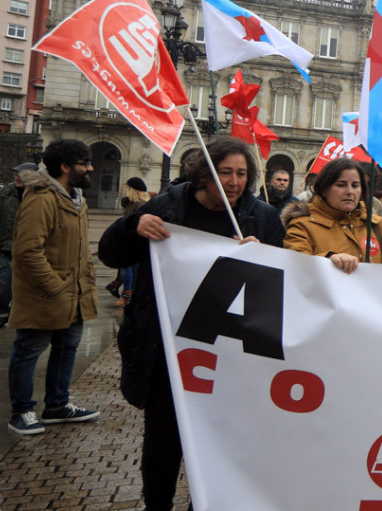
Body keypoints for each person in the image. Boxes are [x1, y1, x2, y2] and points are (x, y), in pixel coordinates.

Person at [99, 137, 284, 510]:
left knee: (220, 444)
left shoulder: (261, 217)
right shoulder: (167, 206)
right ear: (204, 173)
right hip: (167, 352)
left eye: (241, 174)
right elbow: (110, 254)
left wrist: (263, 257)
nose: (233, 182)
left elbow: (282, 285)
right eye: (225, 173)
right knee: (163, 443)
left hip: (229, 358)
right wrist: (134, 225)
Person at [7, 139, 100, 435]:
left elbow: (80, 247)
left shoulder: (77, 198)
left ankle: (57, 405)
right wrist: (55, 285)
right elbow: (27, 251)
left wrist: (85, 280)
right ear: (65, 166)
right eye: (85, 163)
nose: (90, 168)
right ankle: (21, 411)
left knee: (67, 347)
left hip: (75, 292)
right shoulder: (42, 199)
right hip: (46, 294)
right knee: (29, 350)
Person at [283, 158, 382, 272]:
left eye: (355, 185)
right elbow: (296, 267)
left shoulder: (374, 225)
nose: (349, 191)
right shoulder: (302, 225)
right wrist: (328, 259)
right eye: (341, 185)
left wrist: (377, 272)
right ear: (324, 189)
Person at [0, 162, 30, 328]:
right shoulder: (6, 193)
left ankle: (21, 314)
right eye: (15, 174)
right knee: (4, 282)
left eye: (21, 174)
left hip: (30, 250)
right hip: (7, 247)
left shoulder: (40, 195)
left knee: (26, 286)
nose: (17, 177)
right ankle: (2, 313)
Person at [113, 177, 151, 307]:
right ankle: (131, 294)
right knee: (133, 269)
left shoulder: (140, 205)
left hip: (133, 241)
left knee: (128, 268)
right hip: (132, 241)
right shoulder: (133, 204)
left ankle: (127, 295)